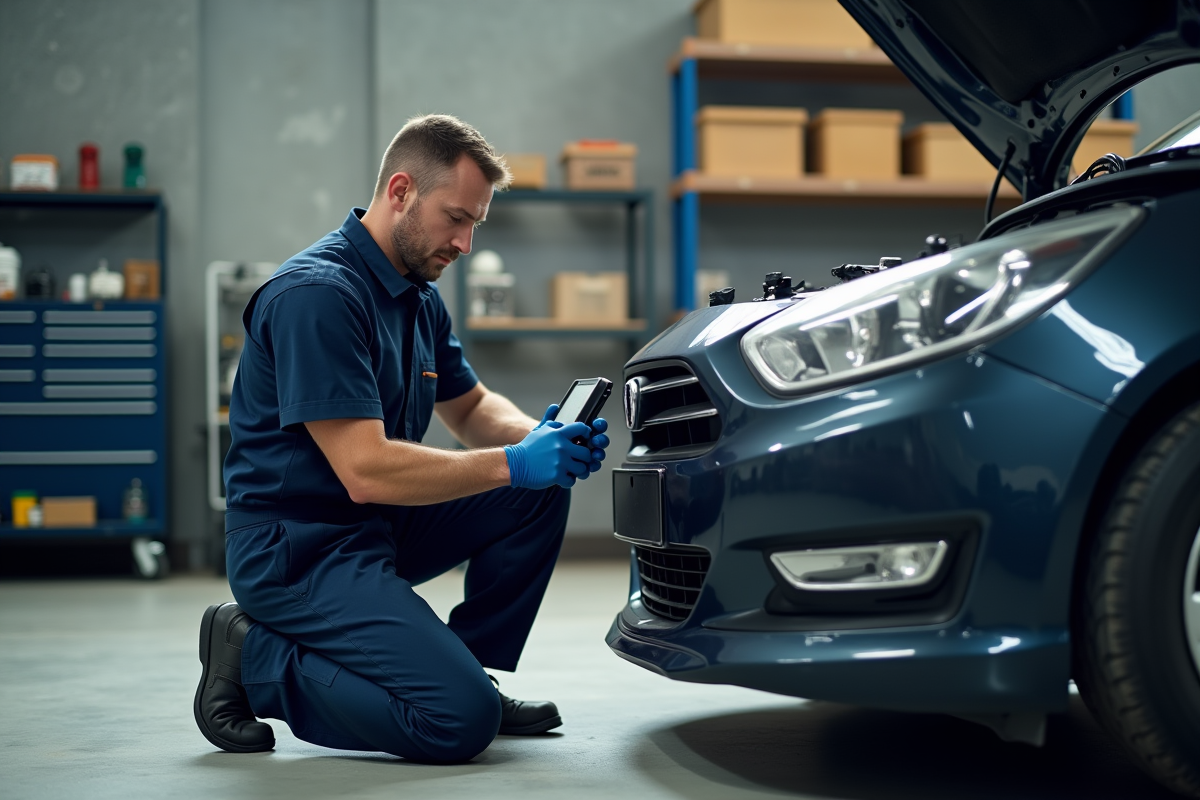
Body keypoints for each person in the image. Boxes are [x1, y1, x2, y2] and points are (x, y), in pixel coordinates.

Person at [193, 114, 610, 763]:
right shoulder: (317, 296)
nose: (466, 243)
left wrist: (543, 439)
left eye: (476, 223)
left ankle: (465, 671)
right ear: (400, 192)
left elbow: (471, 408)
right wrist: (513, 463)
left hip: (376, 526)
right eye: (455, 218)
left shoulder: (417, 295)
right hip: (297, 551)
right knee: (454, 725)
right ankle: (255, 654)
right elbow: (364, 468)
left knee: (538, 490)